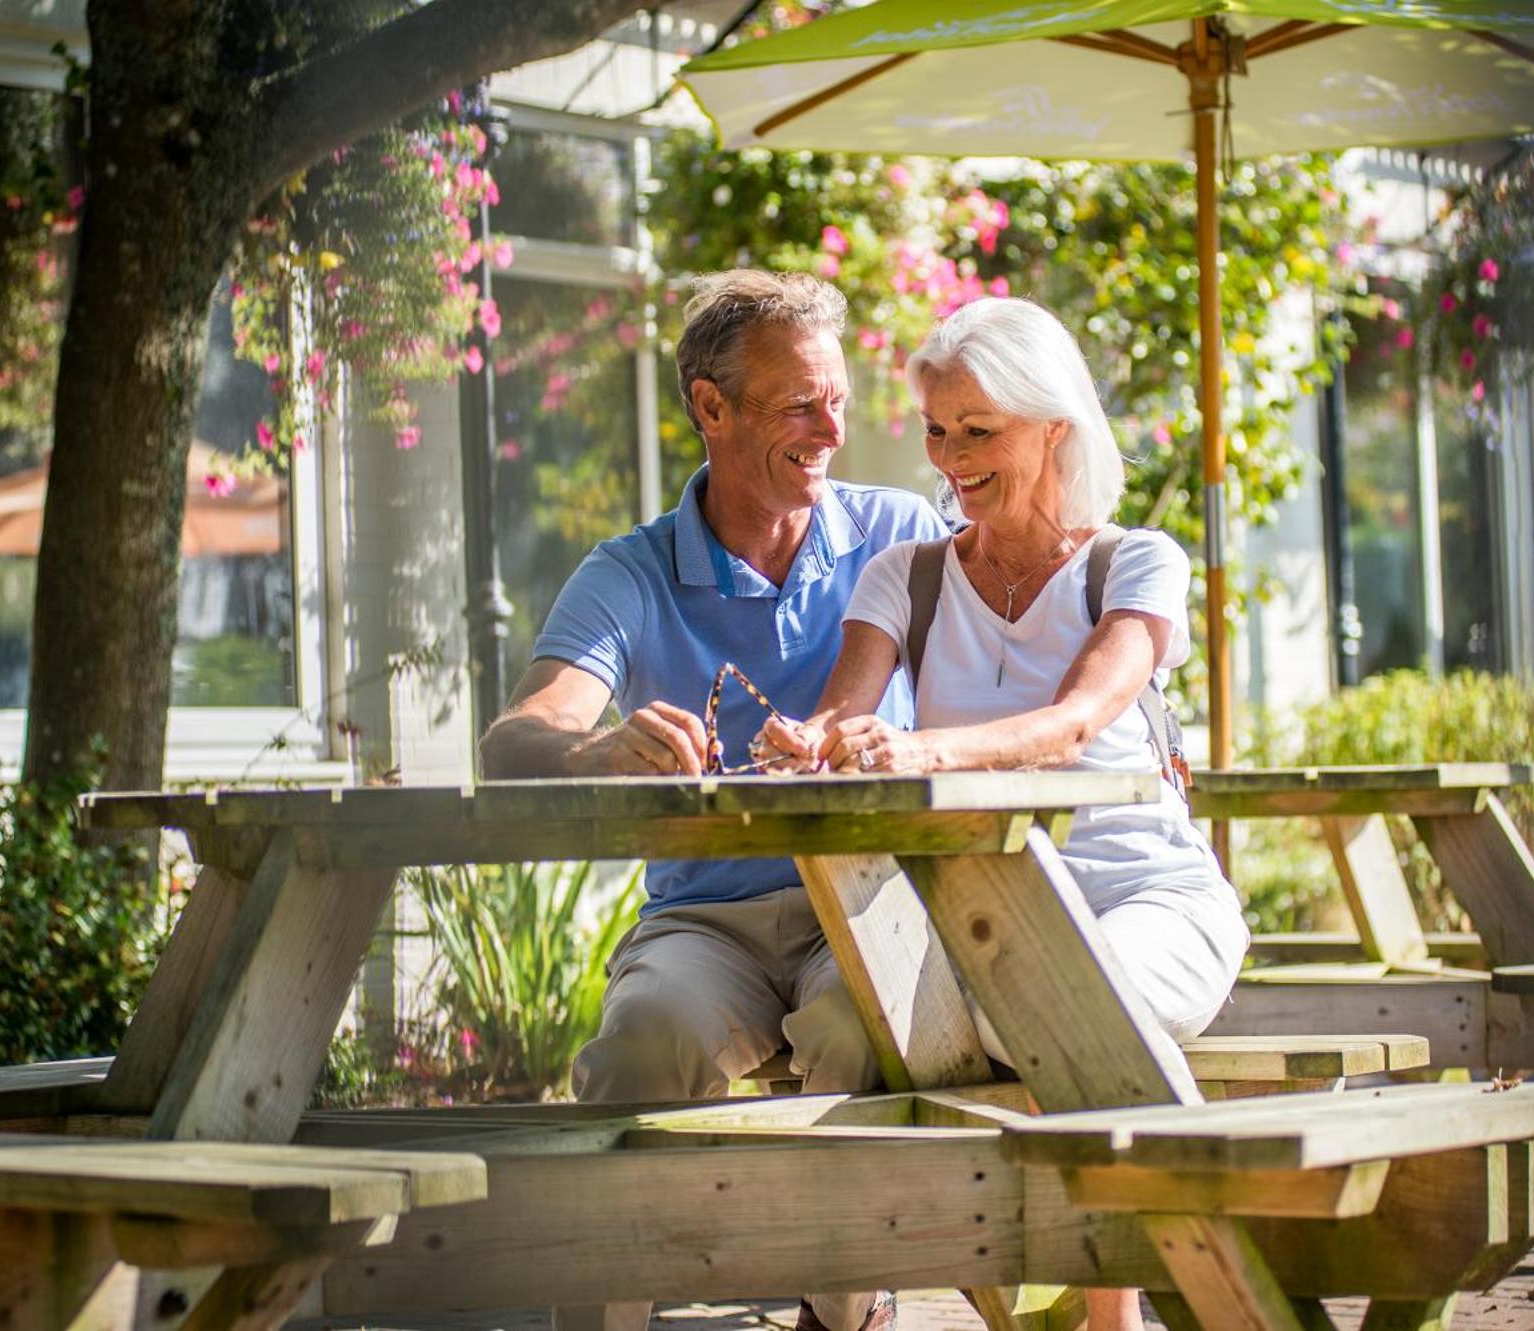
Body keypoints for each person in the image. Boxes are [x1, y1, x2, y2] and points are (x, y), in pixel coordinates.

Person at [763, 296, 1250, 1331]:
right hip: (985, 923)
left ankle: (1111, 1309)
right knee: (869, 1021)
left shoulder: (1135, 562)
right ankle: (900, 1298)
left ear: (1051, 427)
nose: (948, 456)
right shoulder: (907, 574)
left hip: (1149, 900)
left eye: (976, 429)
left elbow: (1076, 719)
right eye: (937, 429)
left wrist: (927, 747)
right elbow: (838, 716)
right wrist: (809, 742)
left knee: (1063, 1004)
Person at [479, 269, 944, 1331]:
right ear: (709, 406)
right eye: (798, 404)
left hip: (861, 903)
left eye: (836, 398)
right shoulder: (629, 572)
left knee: (860, 1030)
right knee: (642, 1037)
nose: (832, 427)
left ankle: (843, 1311)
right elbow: (516, 737)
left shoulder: (897, 530)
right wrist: (595, 750)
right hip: (706, 921)